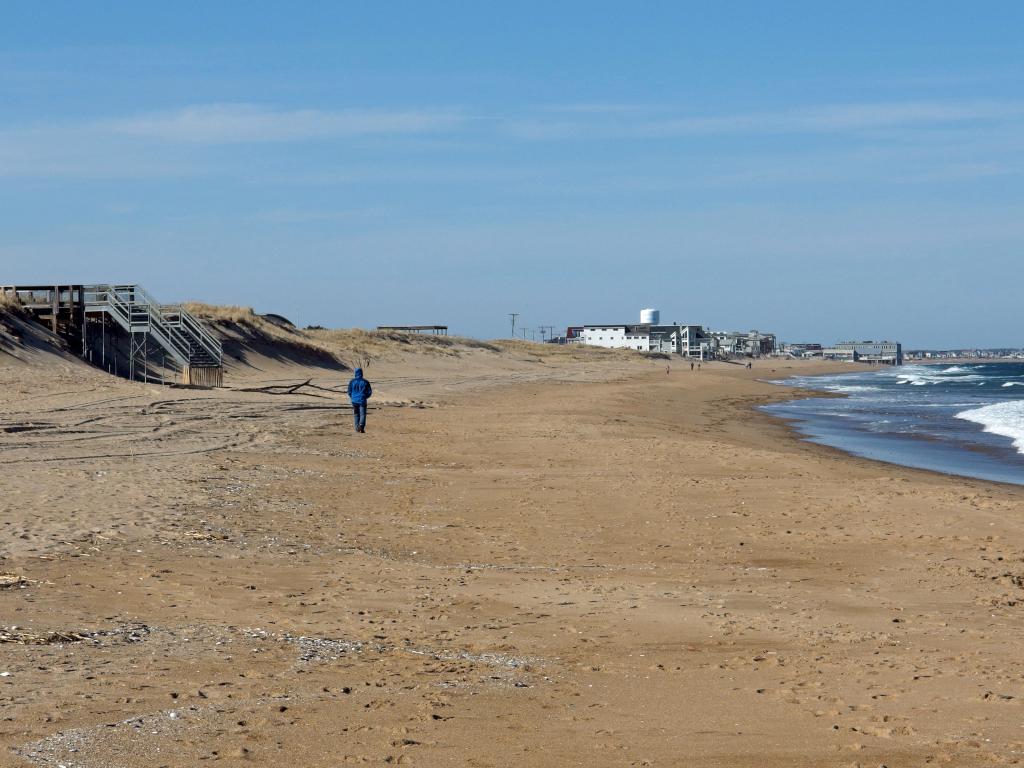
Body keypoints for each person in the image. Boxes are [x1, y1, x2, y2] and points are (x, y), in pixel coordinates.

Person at [347, 367, 372, 433]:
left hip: (354, 401)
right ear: (362, 373)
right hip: (362, 400)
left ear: (355, 373)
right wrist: (365, 397)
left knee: (356, 414)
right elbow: (369, 392)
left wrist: (352, 397)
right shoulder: (365, 382)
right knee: (362, 414)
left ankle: (357, 428)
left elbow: (349, 391)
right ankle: (361, 426)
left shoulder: (352, 381)